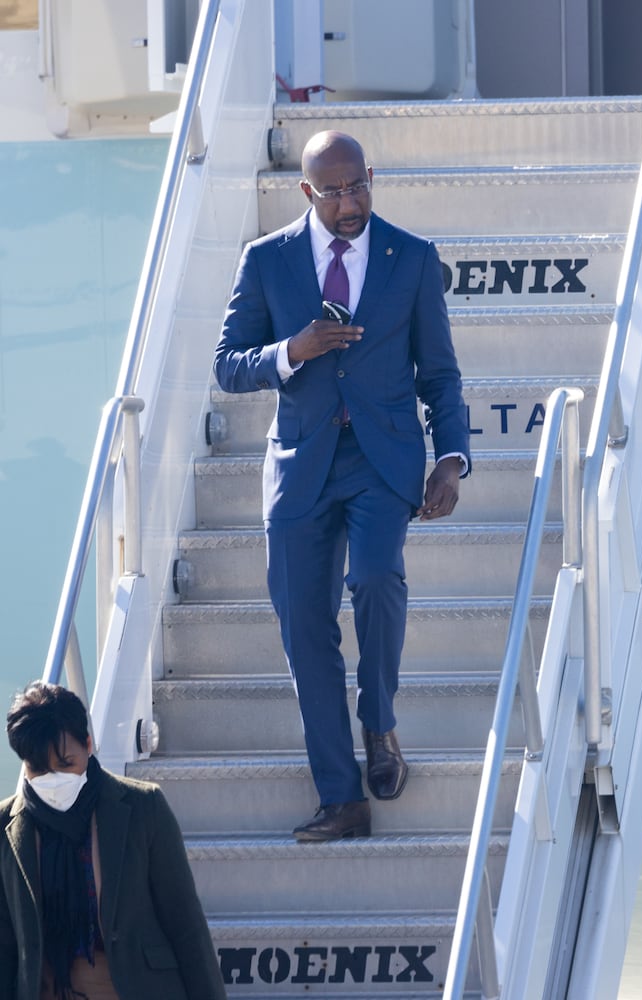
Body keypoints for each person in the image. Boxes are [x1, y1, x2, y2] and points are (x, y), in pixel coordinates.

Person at [213, 131, 470, 841]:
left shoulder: (411, 258)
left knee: (378, 579)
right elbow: (229, 364)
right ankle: (342, 798)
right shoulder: (266, 261)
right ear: (306, 192)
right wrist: (292, 350)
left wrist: (449, 457)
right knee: (305, 630)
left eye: (359, 185)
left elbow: (440, 374)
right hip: (299, 467)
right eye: (333, 191)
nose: (350, 201)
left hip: (381, 461)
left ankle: (379, 724)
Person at [0, 682, 227, 999]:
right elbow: (6, 945)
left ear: (89, 744)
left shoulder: (143, 807)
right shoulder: (5, 825)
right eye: (39, 768)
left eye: (66, 763)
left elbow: (185, 924)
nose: (53, 778)